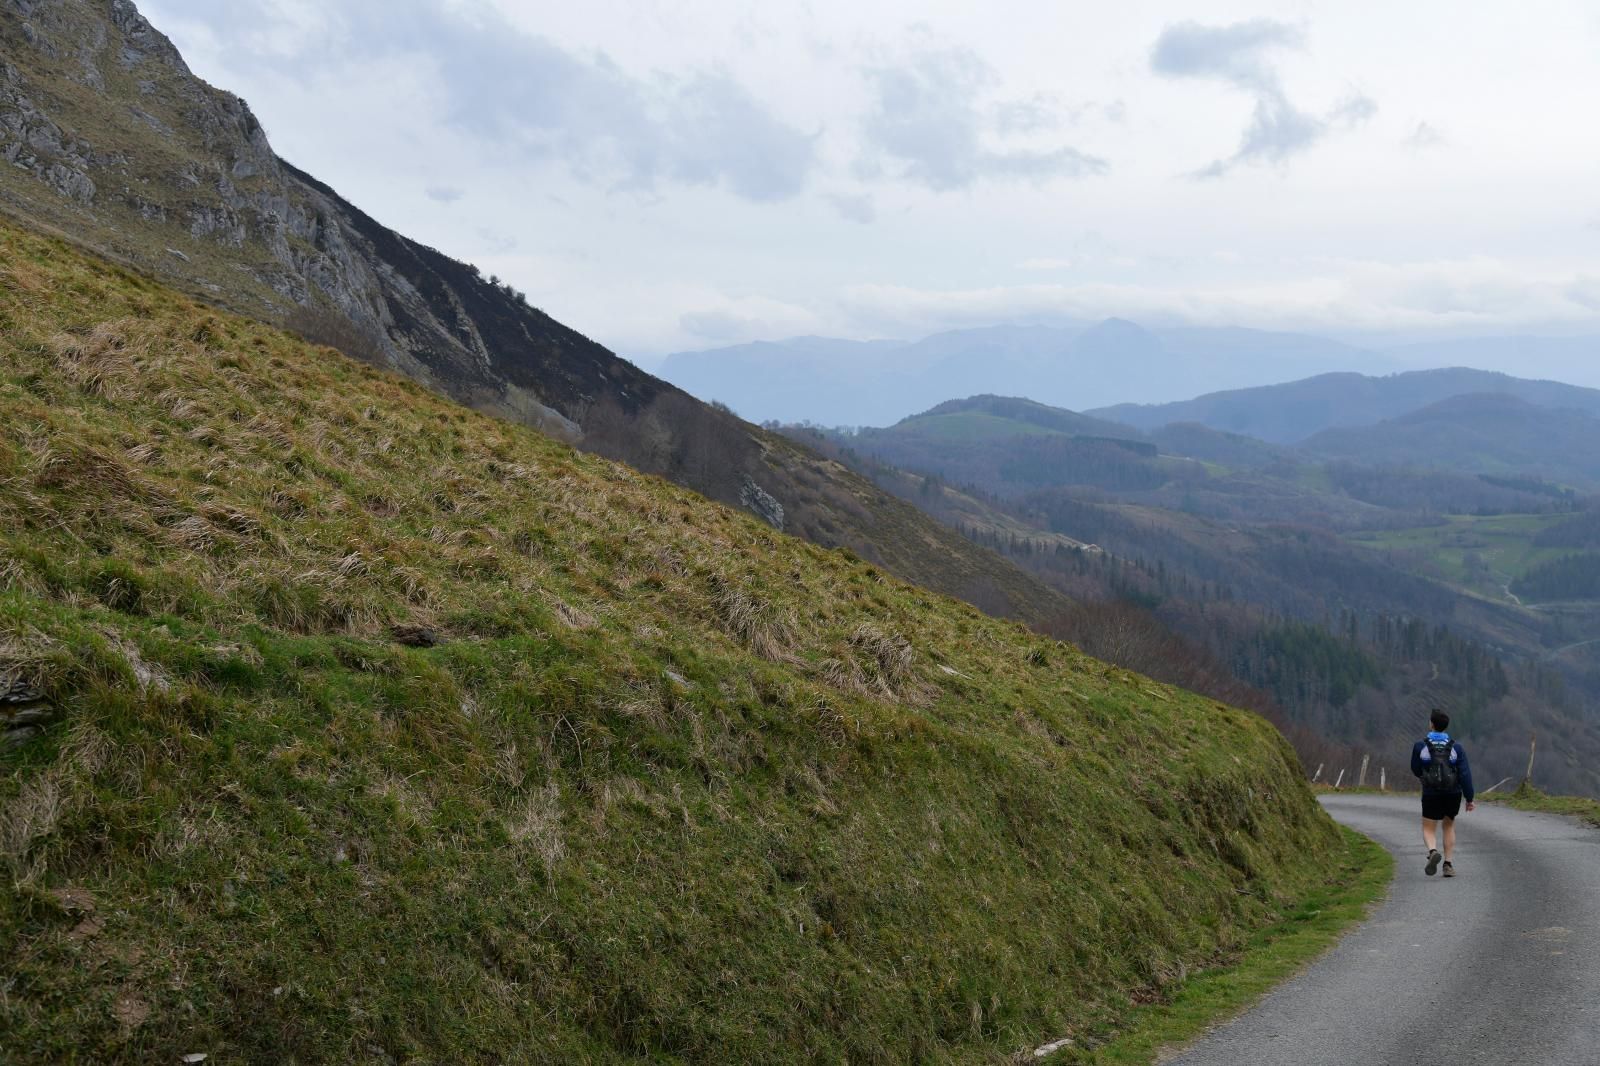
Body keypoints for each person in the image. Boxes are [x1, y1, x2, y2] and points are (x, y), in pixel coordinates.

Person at [1410, 709, 1475, 877]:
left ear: (1431, 724)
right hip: (1452, 792)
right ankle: (1448, 864)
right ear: (1446, 726)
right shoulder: (1456, 748)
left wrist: (1426, 776)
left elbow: (1416, 769)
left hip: (1431, 792)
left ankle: (1432, 851)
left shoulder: (1421, 746)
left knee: (1428, 828)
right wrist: (1469, 798)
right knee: (1448, 826)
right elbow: (1465, 774)